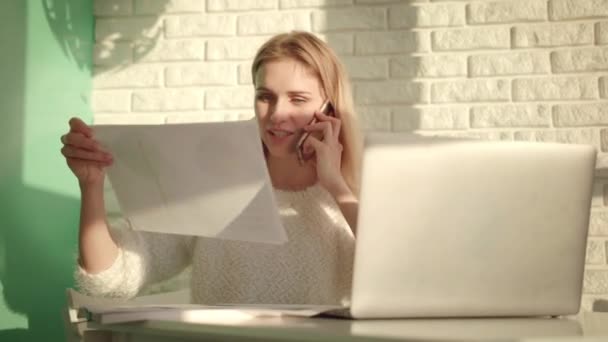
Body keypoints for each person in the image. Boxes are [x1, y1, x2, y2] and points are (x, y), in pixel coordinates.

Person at [60, 31, 362, 305]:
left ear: (328, 110)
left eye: (298, 99)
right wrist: (91, 186)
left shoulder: (355, 195)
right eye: (265, 97)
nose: (277, 114)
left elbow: (398, 276)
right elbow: (111, 276)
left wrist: (336, 185)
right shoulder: (216, 182)